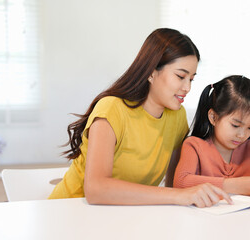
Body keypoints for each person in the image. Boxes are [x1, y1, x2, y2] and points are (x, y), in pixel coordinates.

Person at [48, 28, 232, 208]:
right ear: (151, 72)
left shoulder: (177, 116)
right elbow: (96, 189)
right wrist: (180, 195)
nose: (187, 88)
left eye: (191, 79)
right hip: (69, 213)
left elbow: (174, 183)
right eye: (180, 76)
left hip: (123, 218)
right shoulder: (112, 109)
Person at [173, 75, 250, 196]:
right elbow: (180, 182)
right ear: (213, 117)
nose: (242, 135)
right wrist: (233, 185)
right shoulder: (194, 146)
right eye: (235, 125)